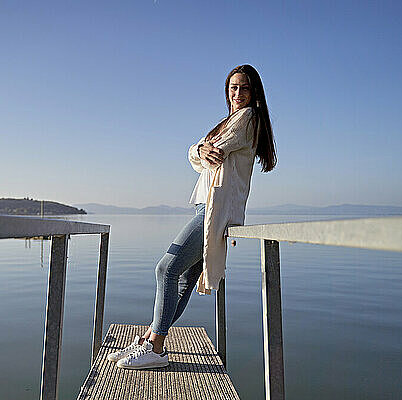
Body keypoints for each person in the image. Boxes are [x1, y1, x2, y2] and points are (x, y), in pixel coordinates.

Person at [107, 64, 277, 369]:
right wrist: (201, 148)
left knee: (166, 269)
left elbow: (212, 152)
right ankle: (150, 339)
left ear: (255, 93)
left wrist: (201, 149)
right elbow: (195, 156)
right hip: (207, 207)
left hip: (217, 211)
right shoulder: (229, 121)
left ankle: (156, 347)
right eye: (233, 88)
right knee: (184, 279)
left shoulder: (248, 118)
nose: (237, 93)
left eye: (244, 88)